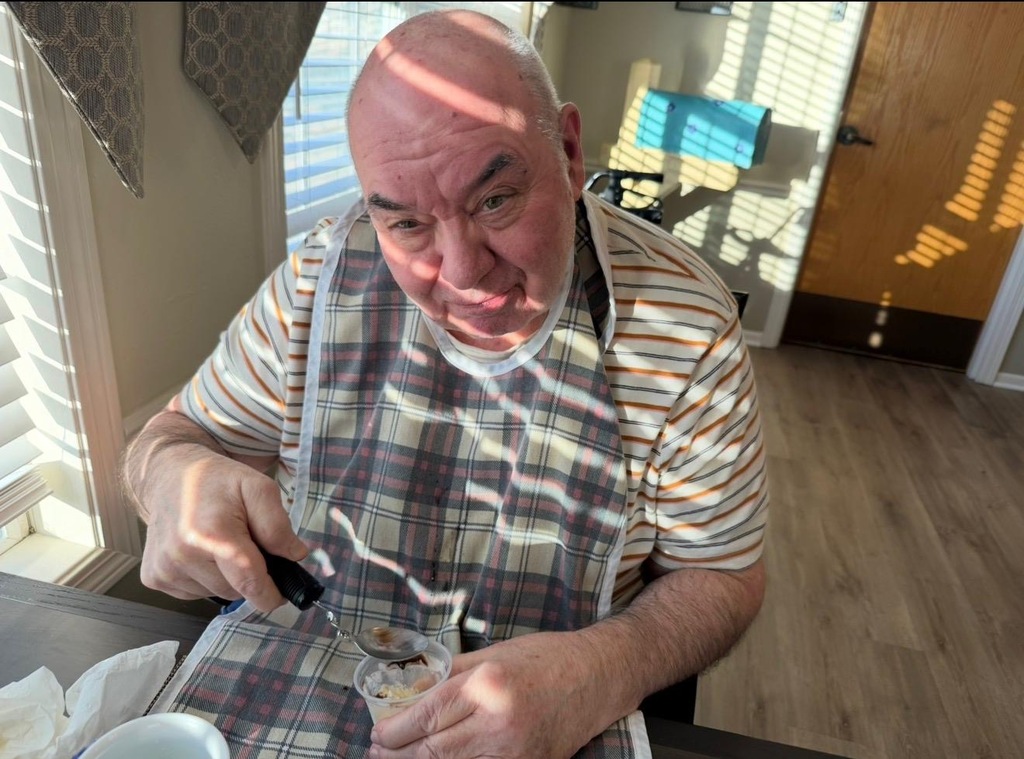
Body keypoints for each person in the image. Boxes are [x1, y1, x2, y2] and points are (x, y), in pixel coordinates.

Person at [121, 9, 768, 759]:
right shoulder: (314, 284)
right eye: (407, 225)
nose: (463, 274)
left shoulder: (684, 327)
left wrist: (603, 669)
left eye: (495, 200)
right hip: (316, 666)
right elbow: (175, 437)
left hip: (556, 704)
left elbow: (722, 574)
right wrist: (169, 476)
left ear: (568, 152)